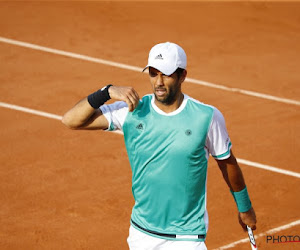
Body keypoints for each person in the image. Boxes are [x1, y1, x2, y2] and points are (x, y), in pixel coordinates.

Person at [62, 42, 257, 250]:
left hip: (187, 237)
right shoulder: (132, 110)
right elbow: (70, 120)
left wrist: (244, 207)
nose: (159, 82)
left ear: (183, 76)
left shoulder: (206, 117)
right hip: (141, 234)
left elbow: (227, 163)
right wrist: (106, 92)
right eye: (153, 74)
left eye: (166, 74)